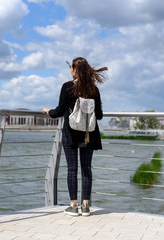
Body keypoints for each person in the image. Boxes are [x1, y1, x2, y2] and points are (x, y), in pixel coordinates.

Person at [43, 57, 107, 216]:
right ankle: (86, 207)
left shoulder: (67, 87)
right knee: (86, 169)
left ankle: (73, 206)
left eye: (71, 68)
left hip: (71, 133)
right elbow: (99, 115)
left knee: (72, 169)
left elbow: (58, 111)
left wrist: (47, 111)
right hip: (89, 134)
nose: (70, 71)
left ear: (75, 70)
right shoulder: (94, 89)